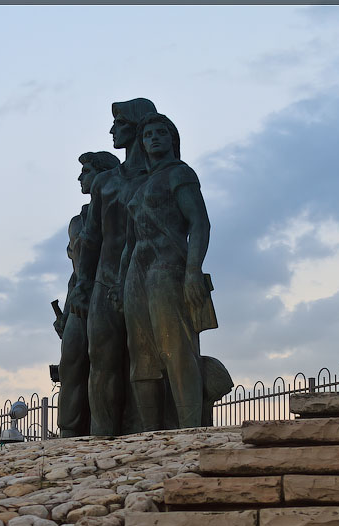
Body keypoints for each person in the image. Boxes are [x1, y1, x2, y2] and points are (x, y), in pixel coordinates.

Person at [118, 113, 218, 430]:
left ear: (172, 139)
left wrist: (193, 270)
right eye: (148, 135)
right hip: (137, 271)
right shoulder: (139, 186)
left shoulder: (180, 173)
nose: (154, 138)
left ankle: (189, 429)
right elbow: (129, 242)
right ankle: (148, 435)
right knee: (142, 356)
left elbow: (199, 223)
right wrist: (120, 284)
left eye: (161, 132)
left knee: (177, 350)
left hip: (167, 265)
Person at [69, 98, 158, 436]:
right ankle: (101, 438)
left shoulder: (159, 178)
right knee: (102, 363)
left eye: (119, 123)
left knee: (146, 362)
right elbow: (91, 238)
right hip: (104, 284)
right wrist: (83, 285)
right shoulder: (105, 182)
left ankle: (148, 436)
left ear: (137, 126)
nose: (112, 130)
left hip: (144, 282)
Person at [55, 151, 120, 437]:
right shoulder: (79, 220)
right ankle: (69, 432)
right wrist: (67, 310)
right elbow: (78, 270)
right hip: (80, 298)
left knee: (103, 366)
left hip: (107, 294)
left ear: (103, 175)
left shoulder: (117, 211)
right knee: (71, 363)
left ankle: (101, 430)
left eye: (87, 171)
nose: (80, 177)